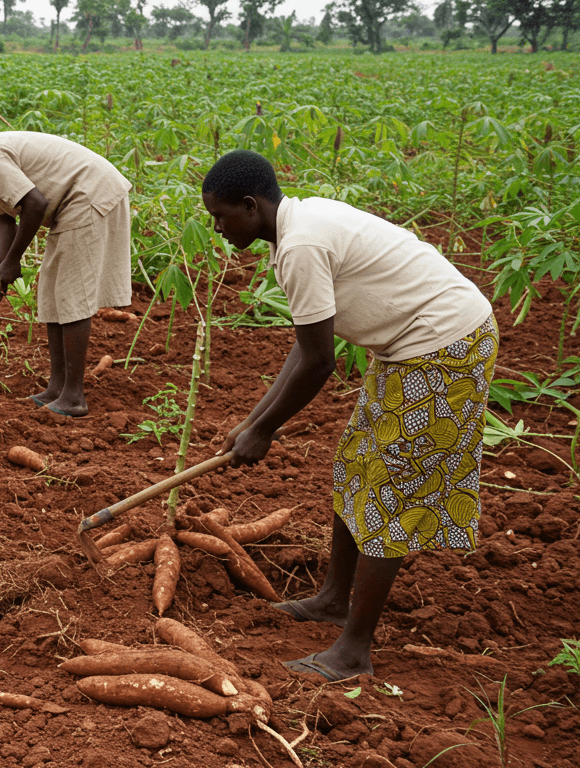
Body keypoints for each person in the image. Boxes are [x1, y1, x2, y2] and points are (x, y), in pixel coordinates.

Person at [201, 149, 497, 683]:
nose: (217, 228)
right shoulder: (297, 229)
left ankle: (353, 651)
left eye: (221, 216)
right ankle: (335, 599)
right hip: (407, 347)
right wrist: (252, 421)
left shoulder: (302, 244)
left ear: (250, 205)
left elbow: (318, 364)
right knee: (356, 464)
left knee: (388, 487)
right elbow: (307, 343)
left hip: (443, 344)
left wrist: (264, 432)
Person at [0, 127, 132, 417]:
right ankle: (57, 388)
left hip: (88, 195)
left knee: (71, 295)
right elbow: (6, 223)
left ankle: (73, 396)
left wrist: (12, 261)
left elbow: (35, 204)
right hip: (72, 203)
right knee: (51, 293)